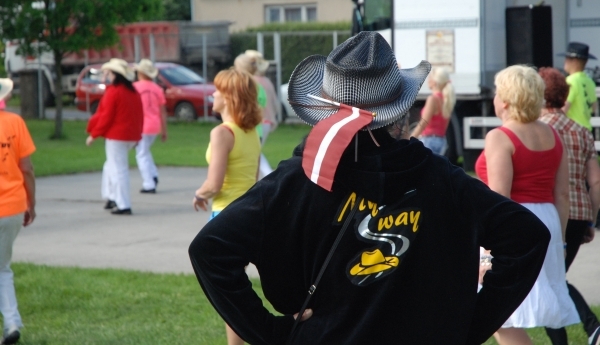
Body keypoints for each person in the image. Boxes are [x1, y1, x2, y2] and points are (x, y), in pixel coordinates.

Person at [189, 32, 551, 344]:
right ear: (400, 110)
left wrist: (271, 332)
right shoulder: (443, 179)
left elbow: (211, 249)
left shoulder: (296, 180)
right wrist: (468, 324)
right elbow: (527, 236)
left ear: (325, 110)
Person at [475, 65, 579, 345]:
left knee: (495, 311)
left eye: (498, 92)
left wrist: (487, 254)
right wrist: (561, 240)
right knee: (501, 314)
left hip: (515, 220)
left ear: (507, 100)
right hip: (548, 220)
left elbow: (499, 197)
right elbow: (562, 194)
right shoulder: (553, 134)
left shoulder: (500, 137)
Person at [192, 68, 262, 345]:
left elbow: (214, 184)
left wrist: (199, 193)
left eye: (218, 90)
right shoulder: (251, 132)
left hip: (225, 217)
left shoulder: (222, 133)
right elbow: (253, 179)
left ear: (229, 97)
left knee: (229, 293)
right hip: (250, 214)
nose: (213, 94)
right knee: (238, 289)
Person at [538, 67, 600, 345]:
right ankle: (591, 329)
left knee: (549, 281)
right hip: (579, 213)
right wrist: (591, 220)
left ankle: (591, 328)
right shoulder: (582, 132)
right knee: (555, 278)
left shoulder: (538, 129)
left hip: (551, 211)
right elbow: (596, 182)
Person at [0, 78, 36, 345]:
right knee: (2, 268)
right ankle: (11, 322)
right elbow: (27, 169)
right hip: (12, 205)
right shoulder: (15, 123)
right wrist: (31, 203)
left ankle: (12, 322)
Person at [86, 58, 143, 215]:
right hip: (129, 136)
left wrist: (94, 134)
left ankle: (123, 204)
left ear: (115, 74)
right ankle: (112, 196)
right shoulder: (133, 92)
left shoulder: (114, 92)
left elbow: (106, 116)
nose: (107, 75)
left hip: (117, 136)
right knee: (110, 166)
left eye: (109, 73)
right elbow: (139, 115)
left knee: (118, 170)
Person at [133, 59, 167, 194]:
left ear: (140, 73)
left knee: (141, 154)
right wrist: (164, 130)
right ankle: (153, 174)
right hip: (154, 125)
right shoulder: (157, 88)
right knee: (145, 151)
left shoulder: (135, 87)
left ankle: (149, 183)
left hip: (141, 125)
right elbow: (162, 111)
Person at [244, 50, 280, 178]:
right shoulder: (267, 82)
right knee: (255, 151)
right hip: (267, 122)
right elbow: (275, 103)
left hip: (258, 122)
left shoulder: (252, 82)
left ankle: (269, 175)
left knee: (255, 152)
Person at [410, 66, 455, 155]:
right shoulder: (447, 100)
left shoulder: (432, 99)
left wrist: (411, 139)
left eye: (430, 78)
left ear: (435, 82)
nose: (428, 80)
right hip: (441, 140)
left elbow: (423, 123)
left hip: (429, 140)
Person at [559, 42, 597, 131]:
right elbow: (594, 108)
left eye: (567, 58)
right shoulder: (590, 82)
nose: (564, 61)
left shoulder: (570, 81)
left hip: (573, 129)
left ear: (575, 61)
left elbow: (564, 108)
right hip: (587, 129)